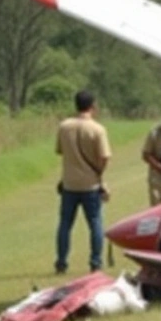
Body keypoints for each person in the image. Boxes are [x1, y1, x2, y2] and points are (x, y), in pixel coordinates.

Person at [54, 90, 112, 274]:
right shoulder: (97, 129)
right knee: (95, 222)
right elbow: (104, 157)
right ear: (93, 106)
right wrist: (98, 174)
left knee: (65, 224)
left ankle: (61, 261)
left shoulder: (64, 126)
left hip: (69, 183)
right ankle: (95, 262)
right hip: (90, 184)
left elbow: (60, 151)